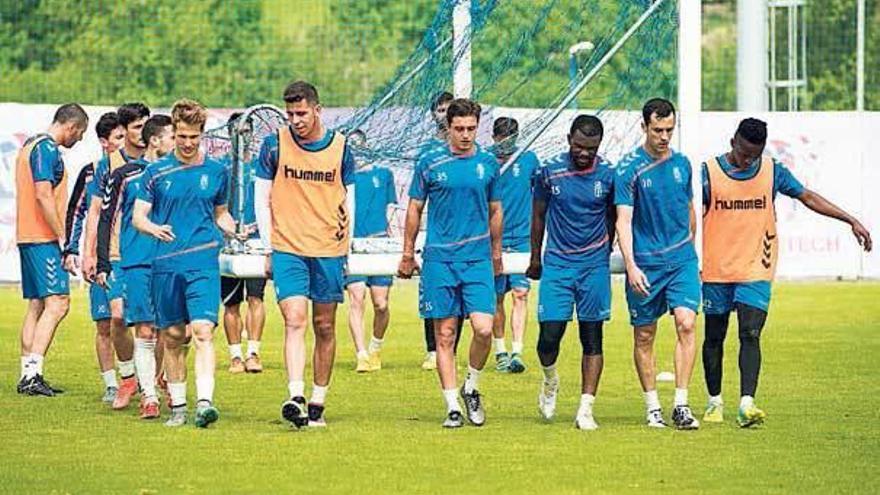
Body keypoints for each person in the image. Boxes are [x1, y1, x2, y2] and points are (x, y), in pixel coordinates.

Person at [700, 118, 873, 427]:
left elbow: (807, 196)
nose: (748, 160)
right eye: (743, 153)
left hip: (757, 266)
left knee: (750, 333)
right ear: (732, 143)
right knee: (714, 337)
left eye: (754, 154)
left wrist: (851, 220)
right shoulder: (707, 173)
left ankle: (746, 405)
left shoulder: (772, 171)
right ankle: (714, 402)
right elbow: (683, 212)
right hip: (717, 268)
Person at [254, 81, 356, 428]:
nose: (296, 120)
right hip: (288, 248)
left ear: (317, 110)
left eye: (301, 113)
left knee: (324, 325)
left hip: (328, 249)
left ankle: (317, 401)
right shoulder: (274, 146)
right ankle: (295, 395)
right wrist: (268, 246)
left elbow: (349, 199)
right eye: (290, 114)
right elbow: (261, 198)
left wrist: (347, 246)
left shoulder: (341, 148)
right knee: (294, 318)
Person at [133, 99, 240, 428]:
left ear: (202, 134)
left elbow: (221, 214)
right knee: (174, 336)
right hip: (165, 264)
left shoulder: (217, 172)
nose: (189, 143)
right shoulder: (155, 172)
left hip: (203, 262)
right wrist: (154, 228)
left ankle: (205, 402)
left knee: (204, 331)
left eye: (195, 136)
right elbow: (139, 216)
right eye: (182, 136)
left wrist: (236, 230)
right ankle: (178, 406)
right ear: (173, 133)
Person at [398, 98, 503, 428]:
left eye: (471, 128)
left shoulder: (488, 163)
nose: (466, 135)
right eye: (459, 129)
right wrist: (406, 252)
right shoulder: (430, 162)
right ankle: (452, 404)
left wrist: (496, 254)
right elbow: (414, 208)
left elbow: (496, 210)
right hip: (440, 260)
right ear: (448, 128)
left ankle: (472, 386)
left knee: (484, 329)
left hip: (477, 260)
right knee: (445, 334)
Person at [614, 98, 701, 430]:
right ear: (644, 127)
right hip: (646, 266)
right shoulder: (628, 170)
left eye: (669, 130)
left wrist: (689, 250)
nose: (664, 137)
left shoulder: (683, 164)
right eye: (658, 130)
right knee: (645, 336)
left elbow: (690, 209)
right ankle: (653, 407)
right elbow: (623, 221)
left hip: (681, 262)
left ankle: (681, 404)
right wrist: (632, 266)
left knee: (687, 324)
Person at [526, 115, 614, 430]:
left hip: (593, 267)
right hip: (558, 265)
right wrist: (535, 258)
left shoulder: (608, 175)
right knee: (549, 338)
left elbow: (613, 217)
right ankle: (550, 380)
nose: (584, 153)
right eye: (579, 146)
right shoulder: (549, 172)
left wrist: (605, 251)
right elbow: (538, 215)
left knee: (592, 338)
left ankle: (585, 409)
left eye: (591, 148)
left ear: (599, 145)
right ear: (568, 140)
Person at [97, 114, 174, 419]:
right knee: (143, 327)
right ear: (156, 140)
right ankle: (149, 395)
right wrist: (103, 260)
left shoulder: (177, 173)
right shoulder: (124, 175)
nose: (177, 142)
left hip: (171, 261)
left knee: (177, 331)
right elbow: (106, 218)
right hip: (137, 261)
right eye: (172, 136)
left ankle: (158, 378)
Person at [82, 102, 151, 409]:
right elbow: (94, 211)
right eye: (137, 127)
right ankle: (126, 378)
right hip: (116, 253)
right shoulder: (107, 166)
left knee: (156, 325)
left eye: (145, 126)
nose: (143, 133)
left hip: (151, 252)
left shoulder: (158, 163)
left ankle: (153, 384)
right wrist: (89, 253)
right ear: (125, 131)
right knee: (118, 317)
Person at [16, 103, 88, 396]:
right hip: (43, 237)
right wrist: (63, 239)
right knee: (58, 302)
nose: (79, 139)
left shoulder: (29, 145)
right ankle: (33, 374)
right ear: (70, 126)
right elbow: (44, 195)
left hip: (27, 234)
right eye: (80, 134)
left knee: (38, 305)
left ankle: (28, 374)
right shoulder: (46, 149)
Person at [63, 112, 126, 403]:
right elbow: (78, 211)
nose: (124, 143)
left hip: (127, 258)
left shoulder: (136, 171)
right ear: (104, 142)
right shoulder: (91, 172)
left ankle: (136, 378)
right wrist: (76, 249)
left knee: (125, 321)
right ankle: (111, 383)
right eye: (118, 138)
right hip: (98, 257)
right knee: (103, 323)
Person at [344, 130, 397, 373]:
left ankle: (375, 346)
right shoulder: (344, 177)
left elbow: (391, 208)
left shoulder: (384, 174)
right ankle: (361, 354)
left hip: (379, 245)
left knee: (381, 304)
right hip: (354, 246)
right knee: (356, 297)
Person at [490, 117, 539, 373]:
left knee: (521, 294)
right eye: (502, 138)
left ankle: (517, 351)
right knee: (497, 297)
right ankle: (500, 351)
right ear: (494, 137)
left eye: (511, 138)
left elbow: (540, 197)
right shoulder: (485, 160)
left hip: (521, 239)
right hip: (492, 240)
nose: (506, 144)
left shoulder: (528, 159)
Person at [220, 111, 267, 374]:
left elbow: (274, 203)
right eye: (238, 130)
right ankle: (235, 355)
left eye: (247, 130)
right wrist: (230, 228)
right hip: (229, 244)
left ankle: (253, 353)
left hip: (258, 243)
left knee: (257, 298)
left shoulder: (262, 166)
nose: (243, 135)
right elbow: (215, 208)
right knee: (230, 302)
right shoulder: (221, 168)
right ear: (229, 134)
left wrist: (257, 227)